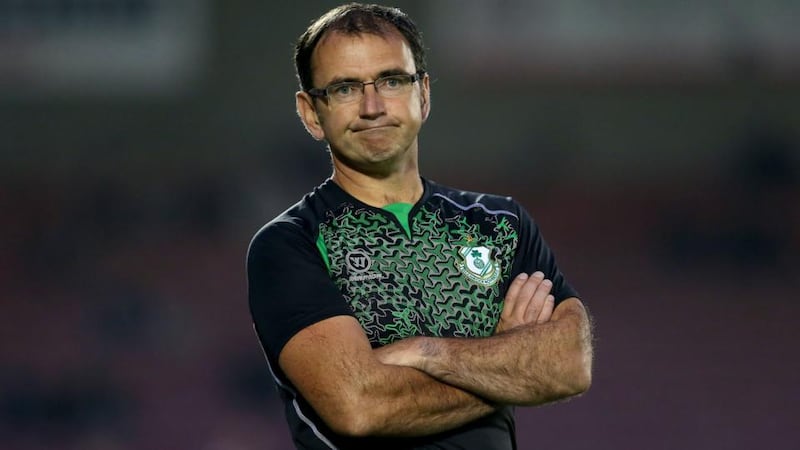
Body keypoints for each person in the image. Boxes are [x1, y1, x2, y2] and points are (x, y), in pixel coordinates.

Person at [247, 3, 593, 449]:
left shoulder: (500, 225)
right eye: (346, 88)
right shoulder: (291, 244)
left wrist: (430, 352)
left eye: (392, 81)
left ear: (423, 94)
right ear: (312, 113)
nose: (372, 107)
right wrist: (508, 362)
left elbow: (569, 364)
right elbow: (359, 406)